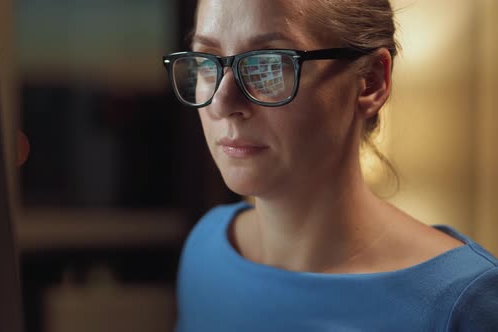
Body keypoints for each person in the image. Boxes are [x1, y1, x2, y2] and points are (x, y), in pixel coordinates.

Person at [162, 0, 498, 331]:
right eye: (207, 62)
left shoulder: (463, 303)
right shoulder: (207, 248)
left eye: (270, 64)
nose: (222, 103)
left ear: (371, 82)